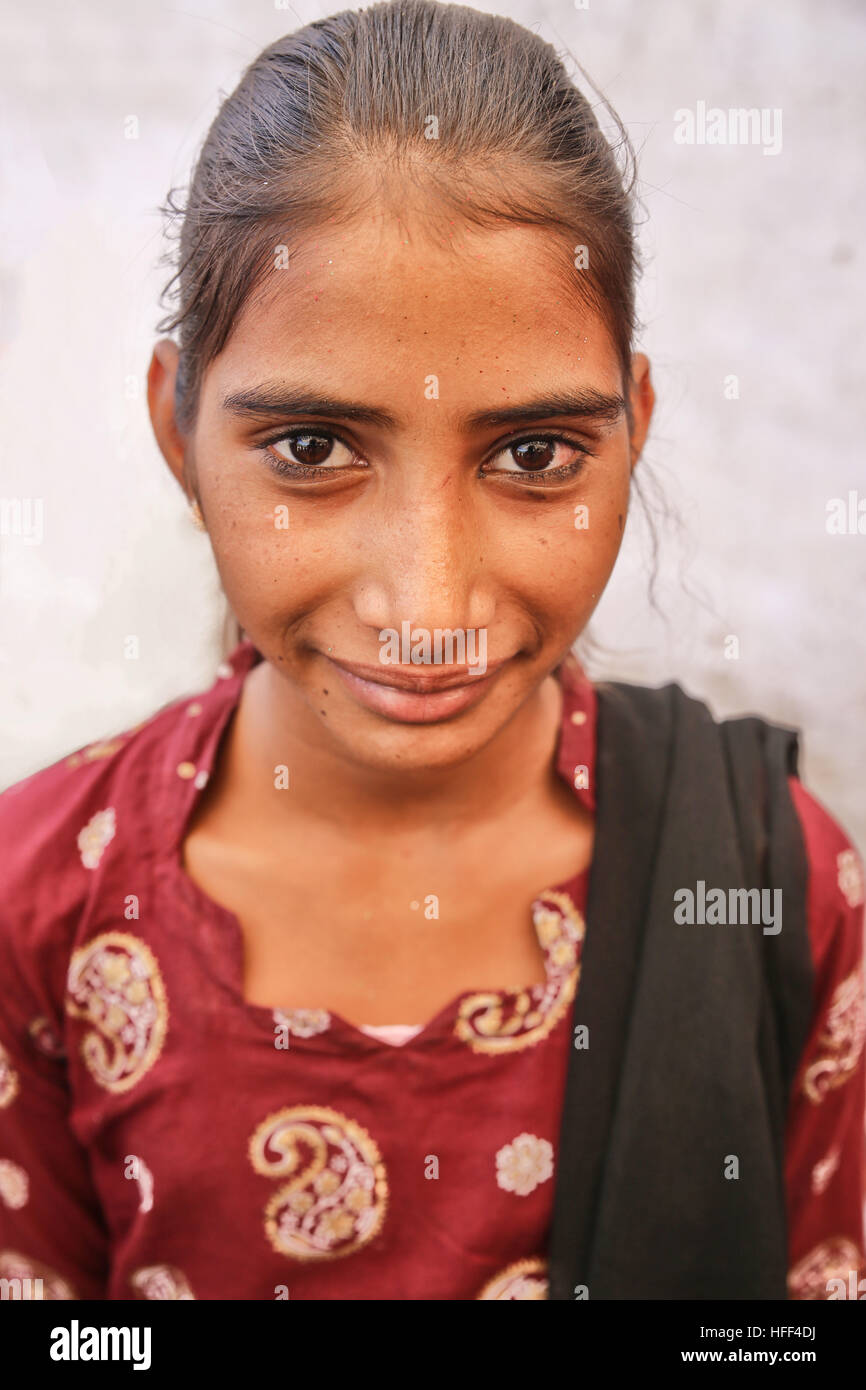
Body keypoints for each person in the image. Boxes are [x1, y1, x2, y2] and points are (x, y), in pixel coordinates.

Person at [0, 0, 863, 1302]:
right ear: (179, 435)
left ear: (631, 427)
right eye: (310, 448)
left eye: (531, 455)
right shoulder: (39, 908)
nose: (428, 594)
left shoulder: (775, 887)